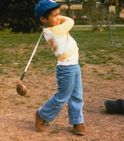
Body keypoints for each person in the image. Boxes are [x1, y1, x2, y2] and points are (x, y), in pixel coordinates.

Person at [34, 0, 86, 136]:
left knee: (77, 95)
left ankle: (77, 121)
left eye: (59, 14)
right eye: (55, 15)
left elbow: (62, 21)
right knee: (62, 97)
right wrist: (62, 18)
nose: (59, 17)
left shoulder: (53, 26)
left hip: (74, 65)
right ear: (43, 19)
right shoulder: (55, 30)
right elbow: (70, 22)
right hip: (66, 69)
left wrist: (56, 17)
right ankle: (42, 114)